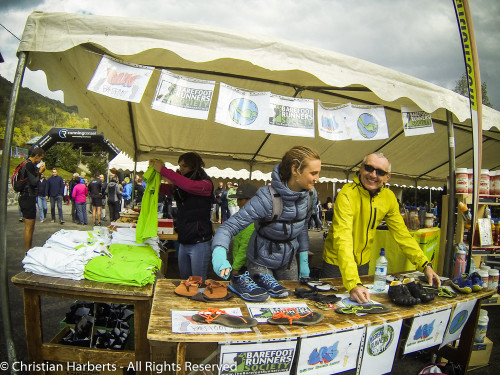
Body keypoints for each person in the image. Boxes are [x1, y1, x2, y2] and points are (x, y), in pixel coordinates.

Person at [322, 152, 441, 304]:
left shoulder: (389, 197)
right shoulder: (347, 194)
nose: (373, 174)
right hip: (336, 261)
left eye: (380, 172)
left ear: (387, 177)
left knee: (360, 310)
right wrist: (353, 283)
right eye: (369, 168)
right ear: (360, 168)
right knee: (331, 308)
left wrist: (425, 265)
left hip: (363, 263)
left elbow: (402, 235)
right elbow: (343, 238)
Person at [211, 146, 320, 300]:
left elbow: (301, 226)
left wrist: (303, 259)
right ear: (295, 170)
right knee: (262, 303)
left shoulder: (310, 195)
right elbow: (229, 227)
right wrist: (219, 254)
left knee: (290, 302)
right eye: (313, 173)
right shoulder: (267, 198)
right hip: (261, 261)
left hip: (289, 261)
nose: (318, 178)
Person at [151, 152, 214, 281]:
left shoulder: (205, 184)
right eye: (179, 166)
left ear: (194, 166)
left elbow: (188, 185)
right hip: (184, 239)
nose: (180, 169)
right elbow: (169, 188)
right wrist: (152, 178)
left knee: (197, 282)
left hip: (200, 241)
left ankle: (198, 300)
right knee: (184, 280)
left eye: (184, 166)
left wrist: (163, 170)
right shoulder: (182, 184)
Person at [18, 147, 46, 251]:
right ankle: (27, 251)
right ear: (36, 156)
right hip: (27, 197)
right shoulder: (29, 164)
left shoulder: (26, 164)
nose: (41, 161)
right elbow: (34, 182)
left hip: (26, 196)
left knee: (30, 226)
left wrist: (37, 172)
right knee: (29, 227)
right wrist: (40, 172)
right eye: (41, 158)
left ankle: (28, 249)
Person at [229, 183, 258, 276]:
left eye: (240, 199)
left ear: (251, 200)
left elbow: (245, 247)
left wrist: (236, 267)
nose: (237, 202)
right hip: (241, 263)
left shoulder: (252, 220)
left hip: (245, 266)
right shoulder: (244, 216)